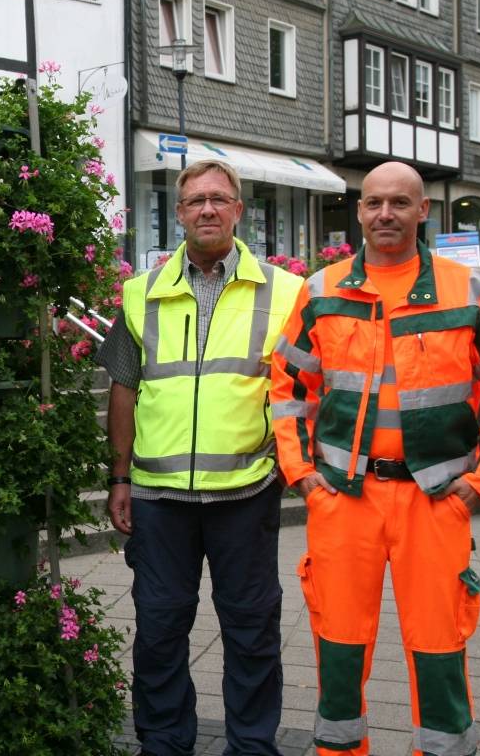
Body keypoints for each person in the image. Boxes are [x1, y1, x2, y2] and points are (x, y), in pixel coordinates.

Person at [271, 161, 480, 756]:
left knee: (440, 643)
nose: (384, 214)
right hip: (343, 496)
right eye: (373, 203)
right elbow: (287, 389)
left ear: (424, 212)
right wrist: (305, 476)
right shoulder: (322, 290)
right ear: (359, 211)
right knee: (338, 643)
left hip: (437, 496)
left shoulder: (469, 291)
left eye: (399, 203)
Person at [97, 159, 304, 756]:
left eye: (218, 199)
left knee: (252, 632)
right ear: (179, 213)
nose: (207, 209)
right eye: (194, 201)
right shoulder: (142, 293)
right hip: (159, 500)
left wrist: (294, 468)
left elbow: (303, 389)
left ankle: (252, 746)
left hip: (246, 493)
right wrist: (118, 477)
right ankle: (164, 745)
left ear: (239, 211)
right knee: (160, 633)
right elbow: (124, 387)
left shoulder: (285, 293)